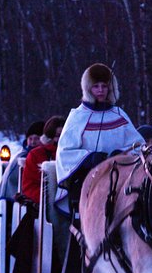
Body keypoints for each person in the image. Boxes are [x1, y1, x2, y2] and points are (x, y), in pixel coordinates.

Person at [55, 63, 144, 214]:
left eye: (104, 85)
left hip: (120, 176)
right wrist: (91, 157)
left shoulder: (119, 114)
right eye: (96, 86)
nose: (101, 90)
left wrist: (121, 154)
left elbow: (139, 145)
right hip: (87, 177)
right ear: (88, 88)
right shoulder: (78, 116)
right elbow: (64, 152)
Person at [0, 121, 45, 201]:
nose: (33, 142)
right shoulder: (23, 154)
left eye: (37, 138)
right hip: (19, 190)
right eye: (30, 138)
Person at [21, 115, 66, 205]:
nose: (60, 140)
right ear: (49, 137)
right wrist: (49, 199)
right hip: (44, 205)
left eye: (63, 135)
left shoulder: (75, 154)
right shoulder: (36, 155)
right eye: (57, 136)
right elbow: (29, 186)